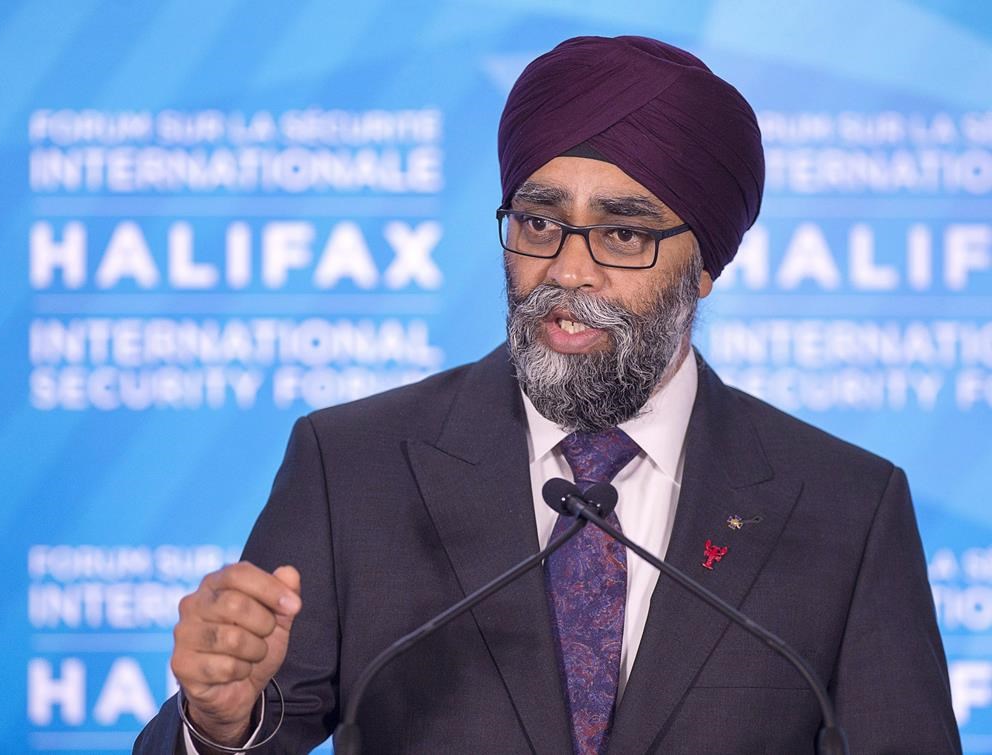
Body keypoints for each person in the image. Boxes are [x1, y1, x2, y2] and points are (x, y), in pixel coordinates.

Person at [135, 36, 961, 754]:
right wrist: (218, 721)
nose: (568, 270)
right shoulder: (353, 465)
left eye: (623, 233)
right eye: (539, 223)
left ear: (706, 265)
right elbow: (250, 715)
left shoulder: (846, 507)